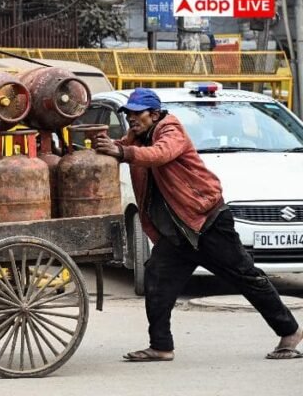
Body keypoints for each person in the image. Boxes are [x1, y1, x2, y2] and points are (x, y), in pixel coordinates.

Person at [95, 87, 302, 362]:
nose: (131, 118)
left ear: (154, 114)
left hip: (207, 221)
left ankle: (290, 332)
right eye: (128, 113)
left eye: (137, 113)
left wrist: (122, 152)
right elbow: (121, 147)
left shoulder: (171, 130)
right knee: (156, 279)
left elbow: (159, 154)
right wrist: (103, 144)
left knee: (246, 277)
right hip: (179, 232)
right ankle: (161, 346)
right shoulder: (138, 136)